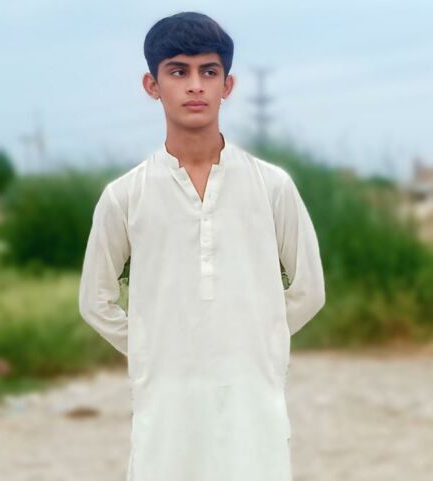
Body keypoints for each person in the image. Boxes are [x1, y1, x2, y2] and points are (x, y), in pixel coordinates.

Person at [79, 11, 326, 481]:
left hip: (251, 389)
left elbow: (309, 290)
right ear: (152, 85)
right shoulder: (125, 195)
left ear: (227, 85)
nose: (195, 86)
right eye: (178, 71)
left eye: (208, 72)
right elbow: (95, 300)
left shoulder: (271, 186)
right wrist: (153, 346)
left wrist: (255, 339)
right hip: (165, 394)